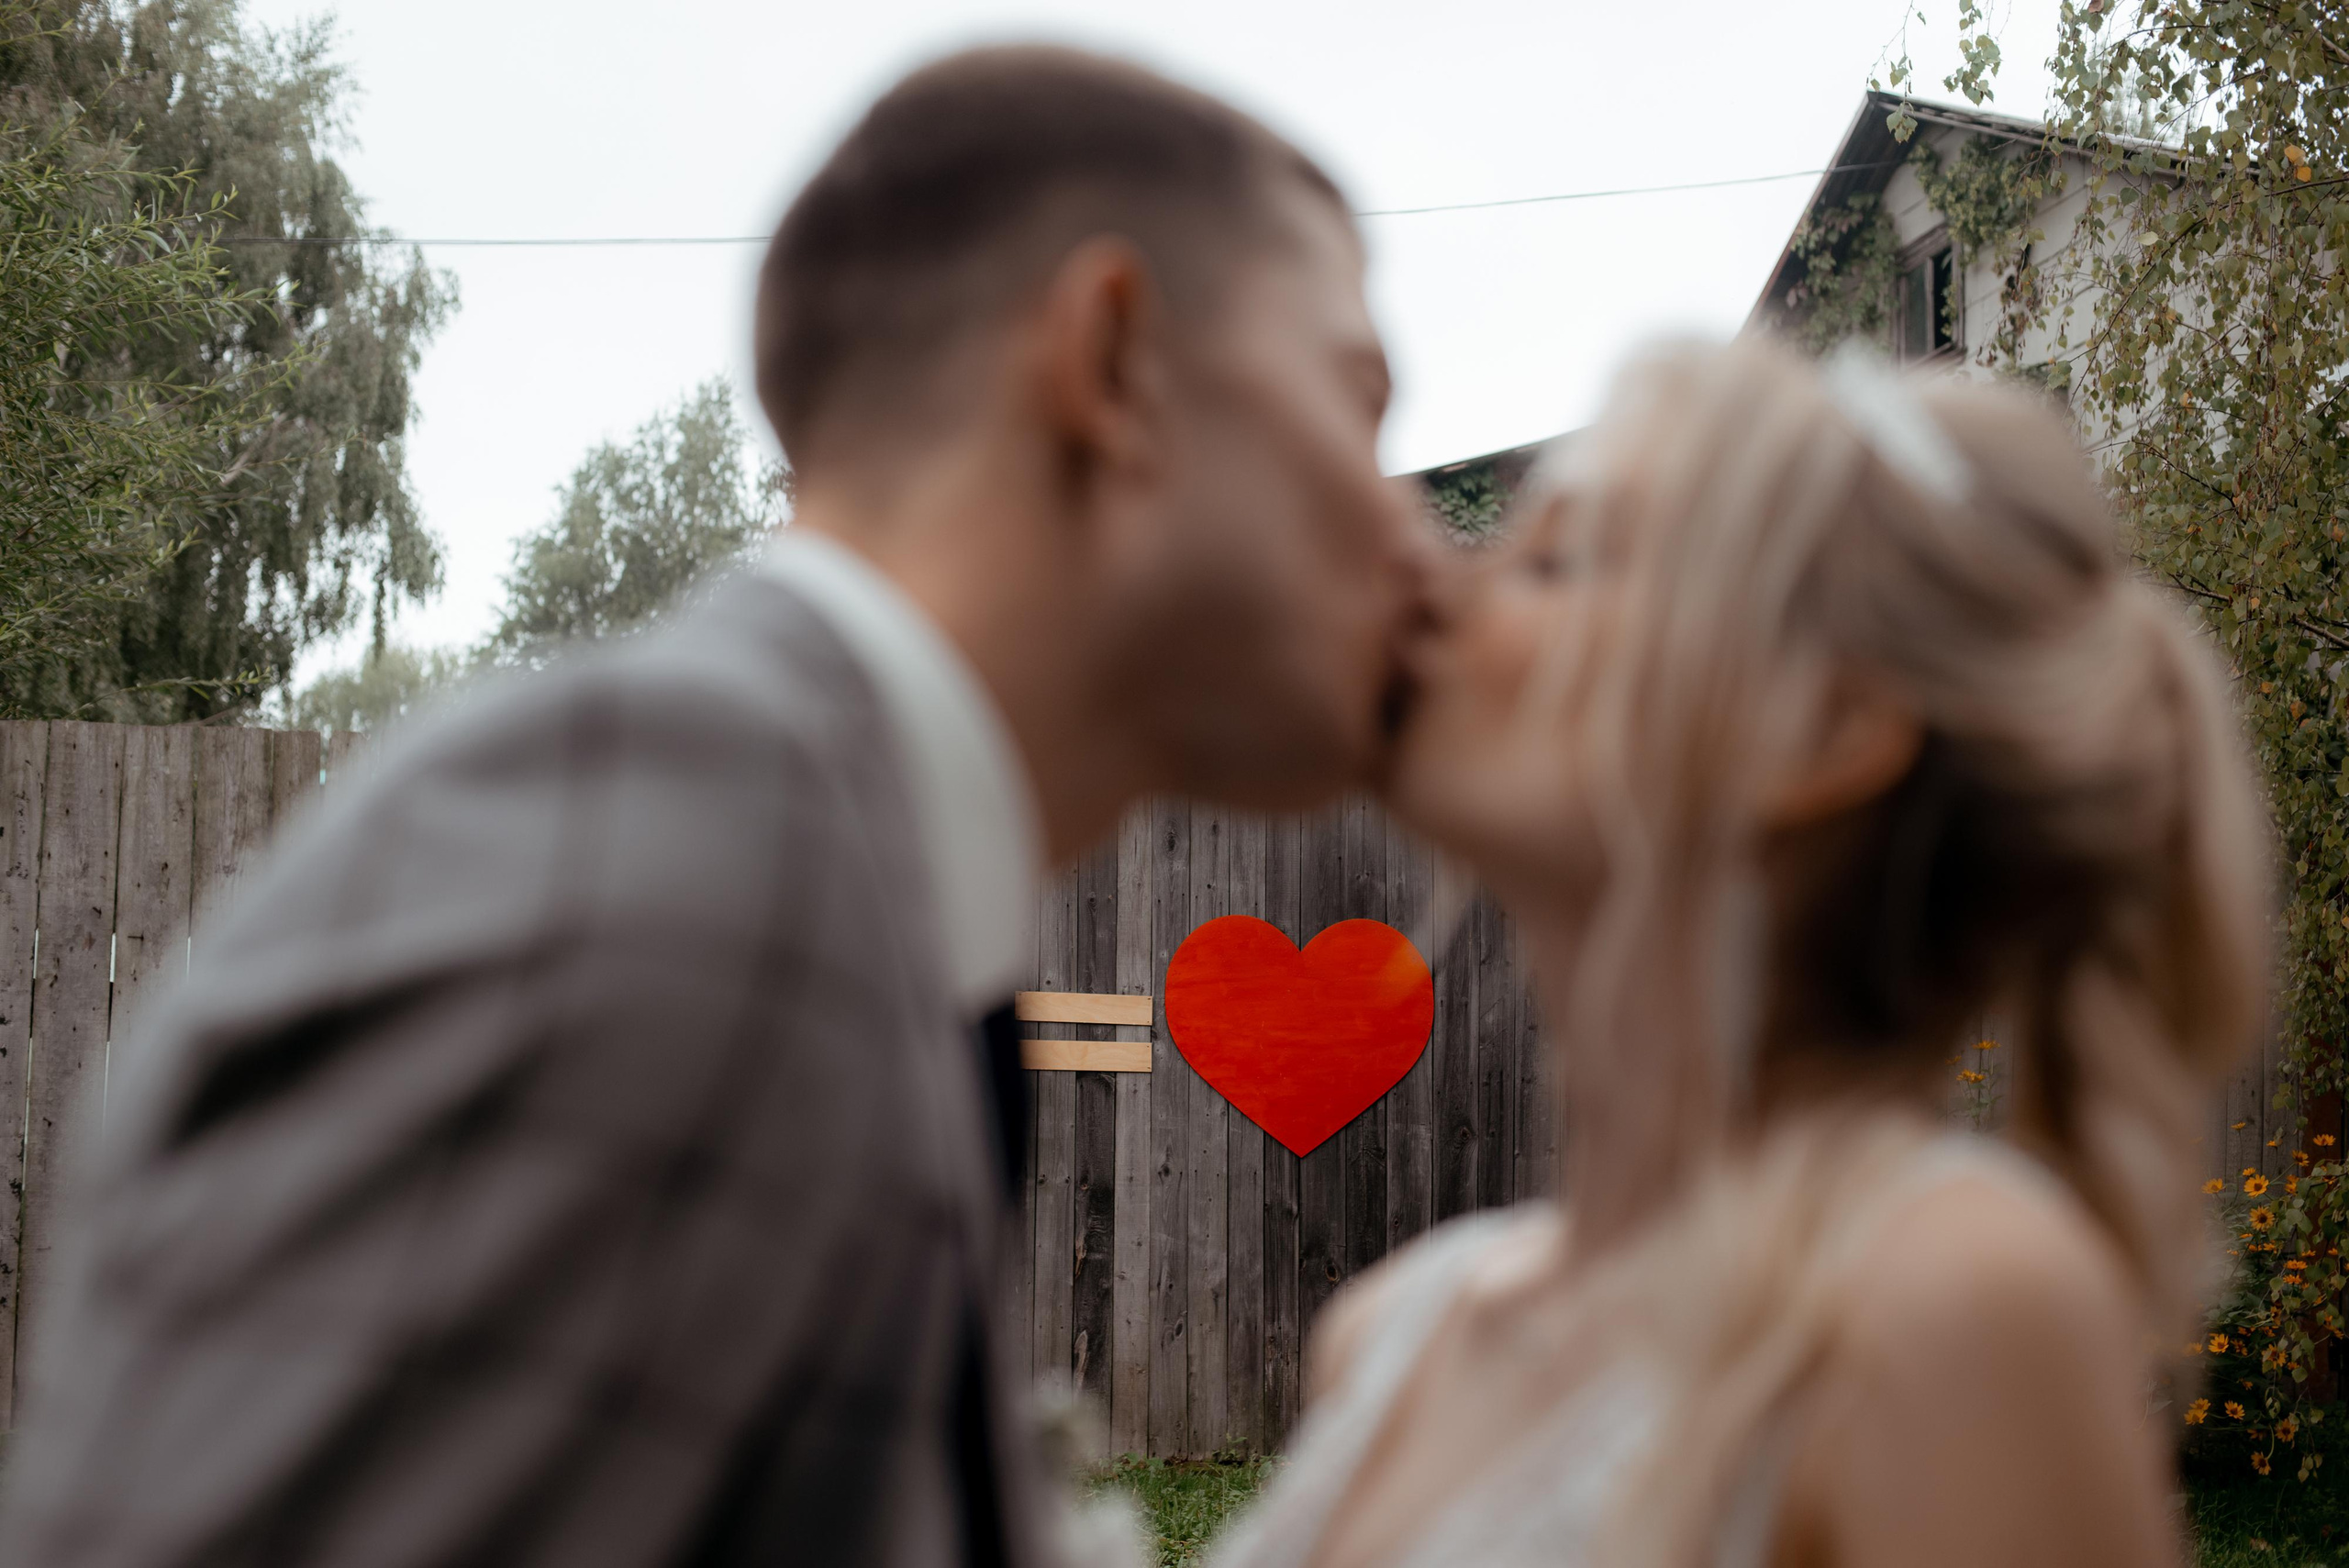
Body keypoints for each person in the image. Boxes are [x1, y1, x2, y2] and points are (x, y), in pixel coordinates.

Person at [0, 47, 1430, 1568]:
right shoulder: (651, 829)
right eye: (1359, 398)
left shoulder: (835, 889)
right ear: (1115, 360)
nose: (1409, 526)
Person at [1210, 337, 2268, 1568]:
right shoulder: (1393, 1329)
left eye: (1558, 560)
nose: (1441, 590)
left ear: (1818, 730)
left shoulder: (1942, 1308)